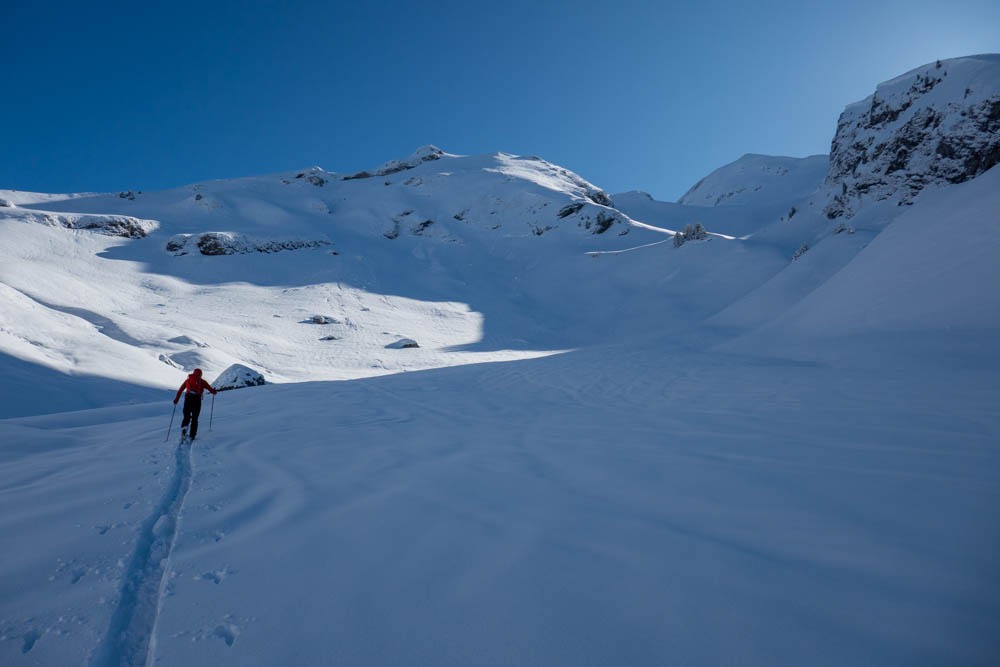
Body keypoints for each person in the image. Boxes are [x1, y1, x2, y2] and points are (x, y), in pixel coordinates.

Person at [173, 368, 217, 441]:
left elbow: (180, 390)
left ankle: (184, 430)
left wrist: (176, 400)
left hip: (188, 400)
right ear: (201, 374)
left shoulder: (188, 380)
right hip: (197, 401)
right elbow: (211, 390)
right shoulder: (203, 382)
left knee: (186, 417)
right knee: (195, 419)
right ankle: (192, 436)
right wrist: (214, 391)